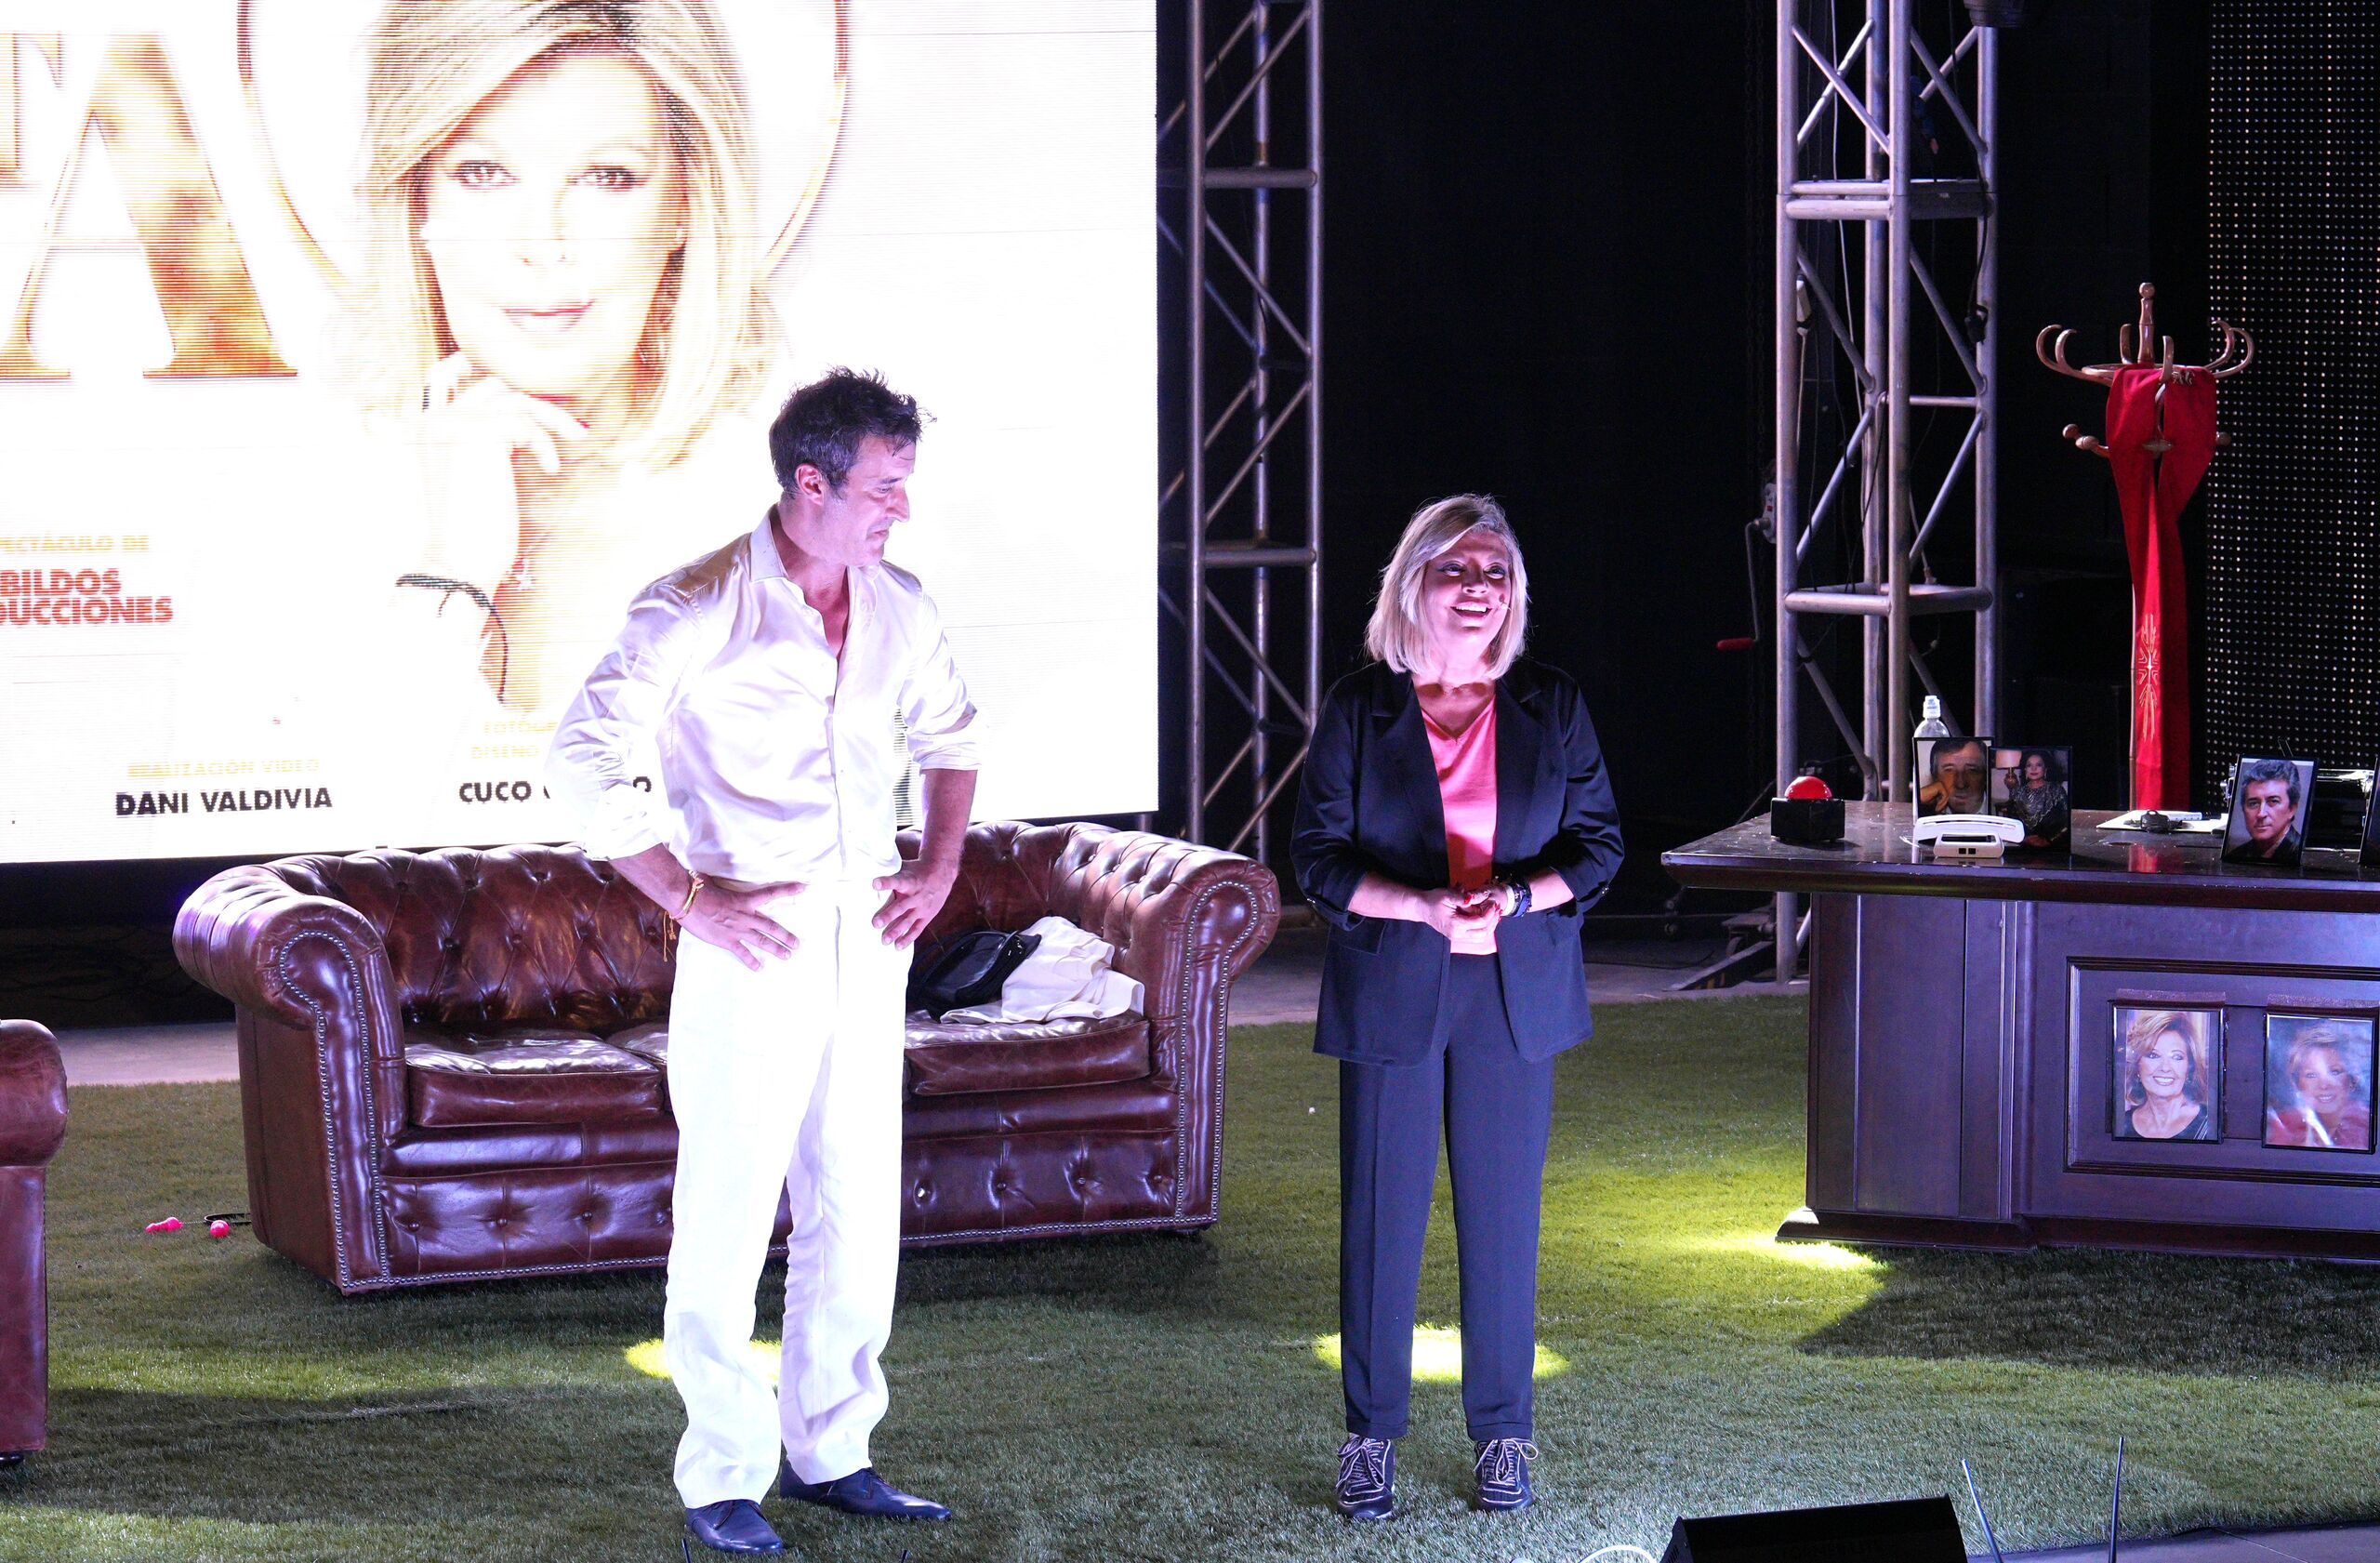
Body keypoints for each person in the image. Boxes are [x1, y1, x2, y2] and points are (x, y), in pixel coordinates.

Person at [547, 370, 976, 1558]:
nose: (900, 509)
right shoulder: (696, 605)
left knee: (857, 1204)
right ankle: (721, 1472)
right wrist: (690, 898)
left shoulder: (901, 605)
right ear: (811, 483)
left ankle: (833, 1450)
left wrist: (939, 864)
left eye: (904, 485)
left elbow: (952, 735)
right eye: (883, 489)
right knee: (730, 1209)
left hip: (869, 936)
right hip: (752, 940)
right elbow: (582, 754)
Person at [1291, 495, 1623, 1521]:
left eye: (1495, 572)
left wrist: (1514, 897)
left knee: (1502, 1222)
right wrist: (1422, 906)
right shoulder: (1360, 706)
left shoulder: (1552, 704)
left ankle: (1504, 1433)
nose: (1479, 588)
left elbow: (1599, 846)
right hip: (1393, 982)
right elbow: (1317, 857)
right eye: (1456, 569)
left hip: (1513, 993)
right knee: (1380, 1221)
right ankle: (1370, 1436)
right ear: (1413, 583)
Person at [363, 0, 776, 711]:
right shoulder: (285, 514)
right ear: (418, 201)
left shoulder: (795, 517)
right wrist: (452, 567)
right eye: (483, 172)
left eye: (606, 176)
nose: (542, 244)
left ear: (684, 205)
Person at [2265, 1025, 2373, 1151]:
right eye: (2311, 1075)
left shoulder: (2370, 1126)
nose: (2324, 1085)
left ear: (2352, 1079)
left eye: (2335, 1072)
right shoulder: (2282, 1125)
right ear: (2296, 1083)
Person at [2115, 1010, 2217, 1142]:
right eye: (2153, 1055)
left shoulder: (2211, 1124)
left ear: (2189, 1068)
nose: (2165, 1068)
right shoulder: (2121, 1125)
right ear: (2137, 1066)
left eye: (2177, 1057)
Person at [2231, 759, 2304, 861]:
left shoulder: (2304, 855)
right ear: (2243, 808)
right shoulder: (2236, 855)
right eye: (2253, 803)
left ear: (2291, 809)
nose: (2261, 814)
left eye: (2273, 801)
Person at [1999, 748, 2070, 846]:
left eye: (2039, 765)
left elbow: (2067, 821)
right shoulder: (2019, 792)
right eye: (2029, 765)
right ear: (2025, 769)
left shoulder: (2056, 790)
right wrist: (2023, 839)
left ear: (2045, 768)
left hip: (2052, 847)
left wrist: (2048, 840)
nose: (2033, 769)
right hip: (2023, 846)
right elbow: (2010, 823)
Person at [1920, 736, 1990, 816]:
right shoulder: (1925, 815)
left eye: (1972, 770)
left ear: (1986, 775)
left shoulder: (2000, 812)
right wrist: (1917, 798)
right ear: (1935, 776)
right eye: (1949, 770)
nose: (1961, 784)